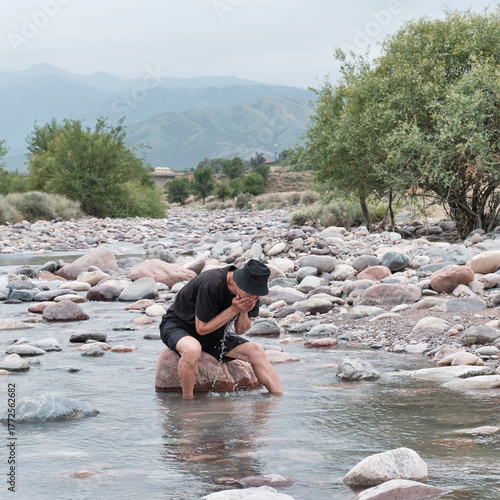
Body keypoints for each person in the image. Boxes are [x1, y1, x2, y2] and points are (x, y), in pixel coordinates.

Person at [159, 259, 284, 398]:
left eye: (257, 295)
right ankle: (188, 403)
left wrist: (242, 311)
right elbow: (201, 328)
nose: (254, 298)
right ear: (238, 282)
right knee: (192, 349)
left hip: (214, 334)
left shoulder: (252, 292)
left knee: (256, 351)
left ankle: (279, 399)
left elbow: (241, 330)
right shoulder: (211, 283)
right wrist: (233, 309)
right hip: (178, 327)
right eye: (251, 294)